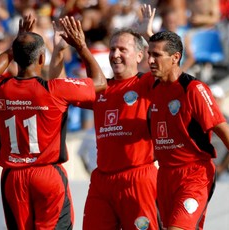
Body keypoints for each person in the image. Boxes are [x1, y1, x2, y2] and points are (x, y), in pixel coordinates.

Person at [0, 14, 107, 229]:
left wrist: (14, 48)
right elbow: (100, 83)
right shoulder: (53, 90)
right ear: (41, 59)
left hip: (13, 178)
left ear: (16, 58)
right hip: (47, 175)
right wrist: (81, 46)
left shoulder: (0, 88)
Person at [147, 30, 229, 230]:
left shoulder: (194, 89)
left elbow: (225, 132)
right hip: (165, 176)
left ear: (175, 58)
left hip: (194, 174)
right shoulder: (154, 89)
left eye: (156, 55)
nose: (150, 60)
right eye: (149, 54)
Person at [82, 5, 161, 230]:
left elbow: (171, 70)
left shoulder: (146, 83)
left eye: (122, 50)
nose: (115, 55)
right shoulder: (100, 89)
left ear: (139, 55)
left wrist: (149, 34)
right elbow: (59, 90)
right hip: (102, 181)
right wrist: (59, 51)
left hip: (138, 177)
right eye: (112, 49)